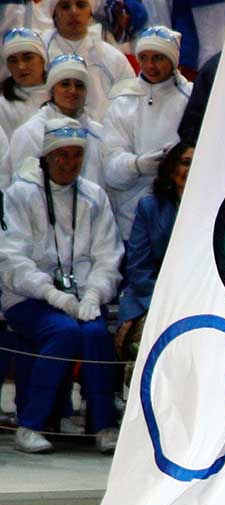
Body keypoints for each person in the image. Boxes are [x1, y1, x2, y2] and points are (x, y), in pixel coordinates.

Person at [0, 117, 123, 454]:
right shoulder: (19, 195)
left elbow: (107, 256)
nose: (69, 163)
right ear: (46, 157)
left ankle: (103, 425)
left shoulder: (94, 197)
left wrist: (95, 293)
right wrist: (52, 294)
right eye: (62, 155)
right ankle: (31, 423)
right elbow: (12, 261)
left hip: (82, 297)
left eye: (76, 155)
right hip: (29, 298)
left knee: (96, 334)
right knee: (64, 332)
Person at [103, 24, 191, 239]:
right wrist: (138, 165)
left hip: (183, 214)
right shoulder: (122, 102)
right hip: (132, 220)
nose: (150, 66)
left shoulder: (191, 96)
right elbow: (111, 169)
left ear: (173, 60)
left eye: (158, 58)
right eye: (144, 57)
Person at [115, 139, 192, 361]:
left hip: (198, 300)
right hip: (149, 299)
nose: (190, 170)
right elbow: (138, 270)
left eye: (197, 164)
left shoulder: (218, 209)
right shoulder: (149, 208)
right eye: (185, 162)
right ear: (171, 168)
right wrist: (167, 302)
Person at [9, 52, 105, 186]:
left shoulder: (98, 132)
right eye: (65, 84)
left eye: (79, 85)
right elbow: (21, 189)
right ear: (52, 89)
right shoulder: (30, 132)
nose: (72, 91)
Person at [39, 0, 135, 120]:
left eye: (81, 5)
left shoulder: (113, 58)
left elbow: (131, 106)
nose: (74, 12)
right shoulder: (38, 55)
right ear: (54, 14)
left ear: (90, 12)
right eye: (65, 6)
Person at [0, 27, 48, 142]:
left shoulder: (64, 95)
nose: (21, 66)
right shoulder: (3, 106)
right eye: (13, 61)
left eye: (28, 58)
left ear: (42, 59)